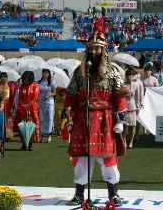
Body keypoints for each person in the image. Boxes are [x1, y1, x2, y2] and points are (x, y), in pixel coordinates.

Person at [65, 16, 124, 207]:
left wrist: (120, 119)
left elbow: (119, 96)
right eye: (91, 48)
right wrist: (69, 117)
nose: (94, 51)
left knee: (107, 158)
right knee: (82, 158)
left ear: (104, 50)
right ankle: (79, 194)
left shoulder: (113, 71)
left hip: (105, 119)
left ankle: (113, 194)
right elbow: (71, 96)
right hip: (83, 119)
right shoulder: (79, 71)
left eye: (98, 48)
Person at [14, 71, 39, 151]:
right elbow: (20, 97)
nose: (25, 81)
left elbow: (35, 97)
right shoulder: (21, 86)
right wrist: (22, 104)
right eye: (24, 79)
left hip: (32, 109)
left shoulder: (35, 86)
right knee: (22, 126)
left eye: (27, 79)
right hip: (22, 109)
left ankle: (30, 144)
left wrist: (29, 104)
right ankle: (24, 144)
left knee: (31, 126)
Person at [38, 69, 56, 143]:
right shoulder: (39, 82)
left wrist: (50, 95)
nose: (44, 74)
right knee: (41, 118)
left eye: (46, 73)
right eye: (43, 73)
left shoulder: (51, 82)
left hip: (49, 102)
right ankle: (42, 135)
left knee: (49, 118)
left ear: (49, 74)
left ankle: (49, 135)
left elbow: (55, 92)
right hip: (41, 102)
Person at [0, 72, 13, 141]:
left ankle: (8, 135)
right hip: (0, 105)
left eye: (4, 77)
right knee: (0, 119)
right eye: (1, 77)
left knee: (7, 120)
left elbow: (12, 97)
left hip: (8, 105)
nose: (3, 78)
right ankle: (0, 134)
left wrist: (12, 107)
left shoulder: (10, 86)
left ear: (7, 78)